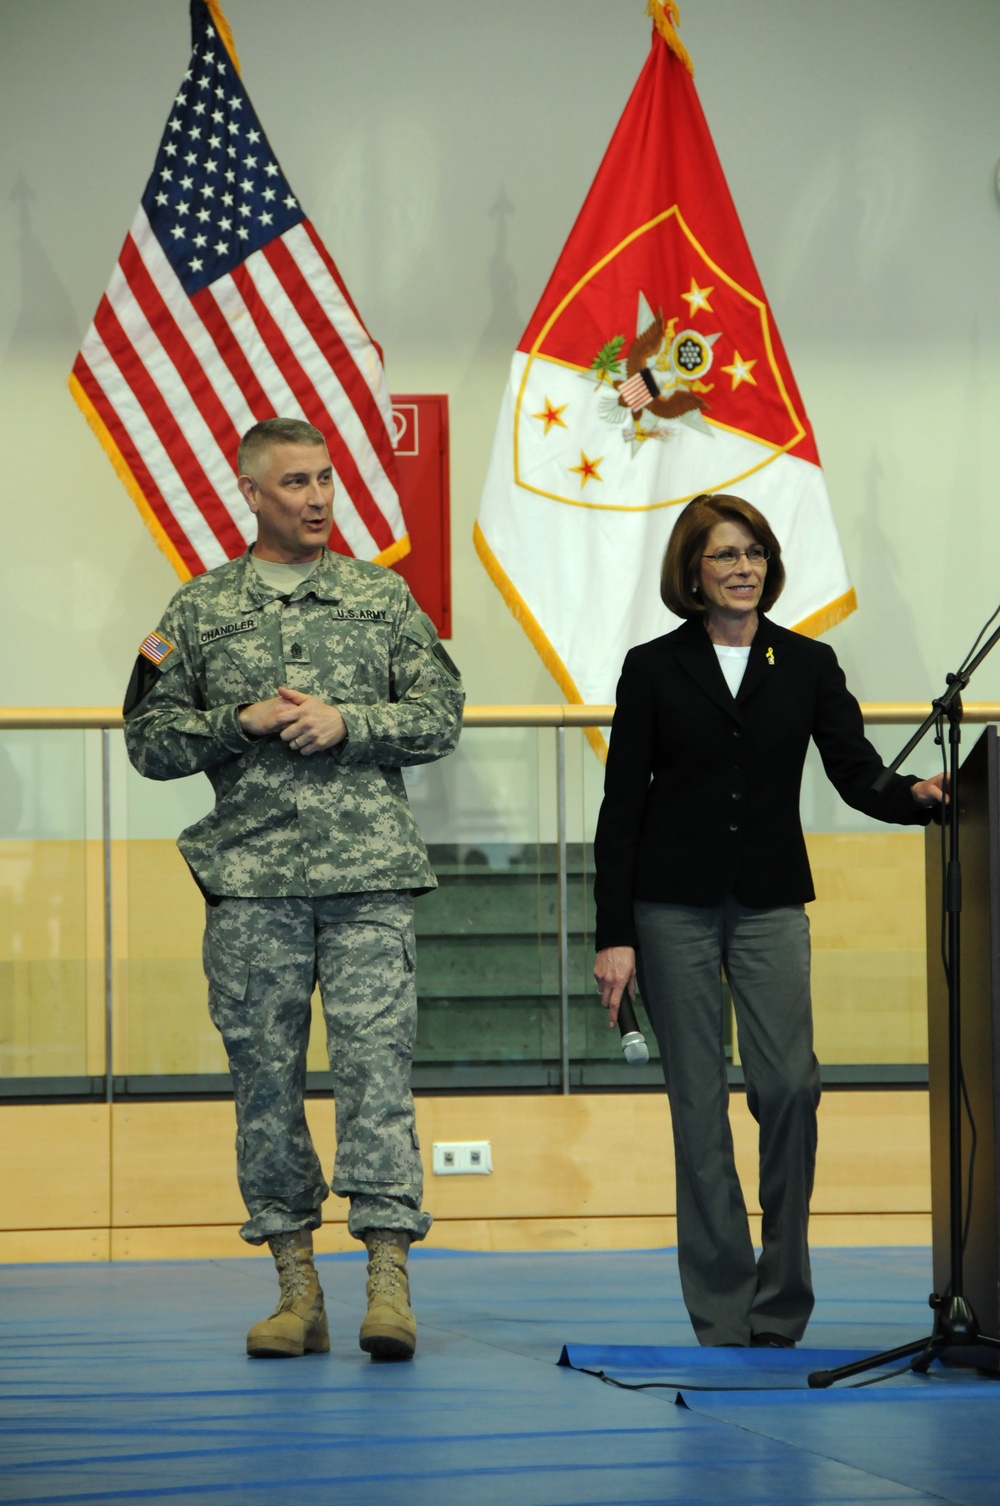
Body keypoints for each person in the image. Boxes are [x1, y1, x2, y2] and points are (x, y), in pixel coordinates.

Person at [124, 417, 464, 1362]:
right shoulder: (197, 611)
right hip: (251, 884)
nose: (317, 499)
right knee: (263, 1086)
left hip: (369, 881)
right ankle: (296, 1288)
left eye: (325, 480)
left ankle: (388, 1283)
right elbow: (148, 741)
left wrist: (349, 722)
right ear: (253, 494)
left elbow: (441, 712)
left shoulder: (380, 596)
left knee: (375, 1077)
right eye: (296, 485)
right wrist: (239, 719)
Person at [592, 493, 945, 1348]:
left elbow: (859, 773)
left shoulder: (811, 663)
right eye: (724, 555)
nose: (743, 568)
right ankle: (721, 1311)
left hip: (770, 903)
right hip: (668, 905)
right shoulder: (651, 667)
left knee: (790, 1088)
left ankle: (781, 1302)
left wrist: (922, 799)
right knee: (699, 1108)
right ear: (692, 572)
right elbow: (620, 809)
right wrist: (613, 935)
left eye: (754, 553)